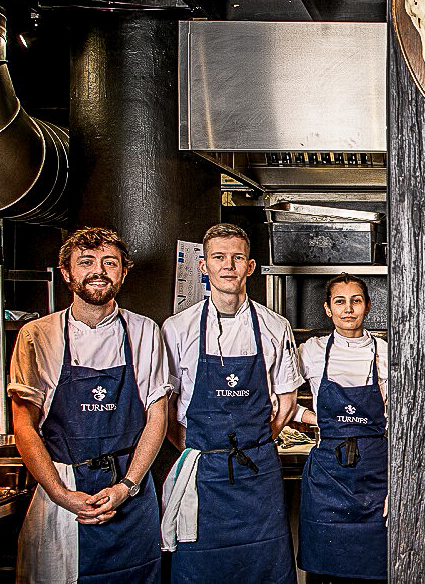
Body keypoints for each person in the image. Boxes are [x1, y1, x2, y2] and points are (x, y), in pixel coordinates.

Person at [9, 227, 168, 583]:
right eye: (86, 262)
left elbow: (157, 416)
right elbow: (24, 425)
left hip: (130, 490)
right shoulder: (37, 335)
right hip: (63, 484)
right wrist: (61, 494)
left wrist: (127, 485)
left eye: (110, 262)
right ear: (67, 273)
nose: (99, 270)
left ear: (123, 272)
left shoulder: (145, 331)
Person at [161, 223, 301, 583]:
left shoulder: (275, 326)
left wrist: (257, 441)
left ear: (250, 267)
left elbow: (286, 400)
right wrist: (198, 449)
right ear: (204, 266)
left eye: (237, 258)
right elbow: (166, 404)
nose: (228, 266)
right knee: (200, 569)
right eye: (219, 257)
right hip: (203, 473)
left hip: (259, 472)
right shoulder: (177, 329)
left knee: (265, 568)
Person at [295, 273, 389, 582]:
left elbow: (404, 417)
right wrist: (313, 420)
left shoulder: (386, 352)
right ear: (327, 308)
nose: (348, 309)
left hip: (375, 477)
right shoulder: (312, 351)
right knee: (325, 572)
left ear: (368, 306)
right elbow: (276, 395)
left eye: (356, 301)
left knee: (376, 571)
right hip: (327, 479)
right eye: (340, 301)